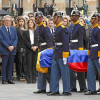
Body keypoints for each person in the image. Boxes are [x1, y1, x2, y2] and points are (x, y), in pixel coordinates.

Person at [47, 12, 71, 96]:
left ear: (59, 18)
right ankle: (54, 90)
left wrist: (65, 55)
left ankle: (67, 90)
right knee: (54, 72)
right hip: (56, 52)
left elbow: (65, 43)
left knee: (65, 72)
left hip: (61, 53)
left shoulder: (63, 28)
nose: (53, 19)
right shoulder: (57, 28)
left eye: (54, 18)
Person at [33, 11, 53, 93]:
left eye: (36, 18)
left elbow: (49, 41)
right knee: (41, 70)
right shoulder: (38, 27)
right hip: (41, 49)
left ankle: (52, 88)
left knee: (48, 71)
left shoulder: (45, 28)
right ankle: (41, 88)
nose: (35, 20)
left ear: (40, 18)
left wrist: (49, 51)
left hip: (46, 50)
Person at [69, 10, 87, 92]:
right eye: (72, 15)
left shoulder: (81, 26)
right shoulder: (71, 26)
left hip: (77, 48)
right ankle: (73, 86)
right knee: (71, 68)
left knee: (80, 68)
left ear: (77, 17)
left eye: (74, 16)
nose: (72, 17)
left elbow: (81, 39)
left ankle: (83, 87)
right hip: (71, 48)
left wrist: (80, 50)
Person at [85, 13, 100, 95]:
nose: (91, 20)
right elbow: (89, 42)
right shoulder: (92, 29)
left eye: (92, 18)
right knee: (90, 71)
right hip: (92, 52)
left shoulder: (98, 29)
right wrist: (89, 51)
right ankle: (92, 89)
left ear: (96, 19)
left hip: (97, 52)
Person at [0, 15, 18, 84]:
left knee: (11, 65)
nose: (8, 22)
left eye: (9, 21)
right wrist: (8, 46)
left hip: (12, 50)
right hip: (5, 49)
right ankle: (4, 79)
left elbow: (16, 38)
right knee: (4, 65)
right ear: (4, 21)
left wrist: (13, 46)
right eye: (6, 20)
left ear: (11, 22)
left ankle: (10, 78)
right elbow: (1, 39)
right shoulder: (1, 29)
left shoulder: (14, 29)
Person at [24, 19, 38, 83]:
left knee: (34, 64)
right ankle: (29, 79)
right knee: (29, 64)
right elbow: (25, 41)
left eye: (31, 22)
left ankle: (34, 79)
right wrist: (31, 47)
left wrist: (36, 46)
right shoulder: (25, 32)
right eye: (29, 22)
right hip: (29, 49)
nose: (30, 24)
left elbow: (38, 40)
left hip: (35, 49)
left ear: (34, 24)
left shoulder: (36, 31)